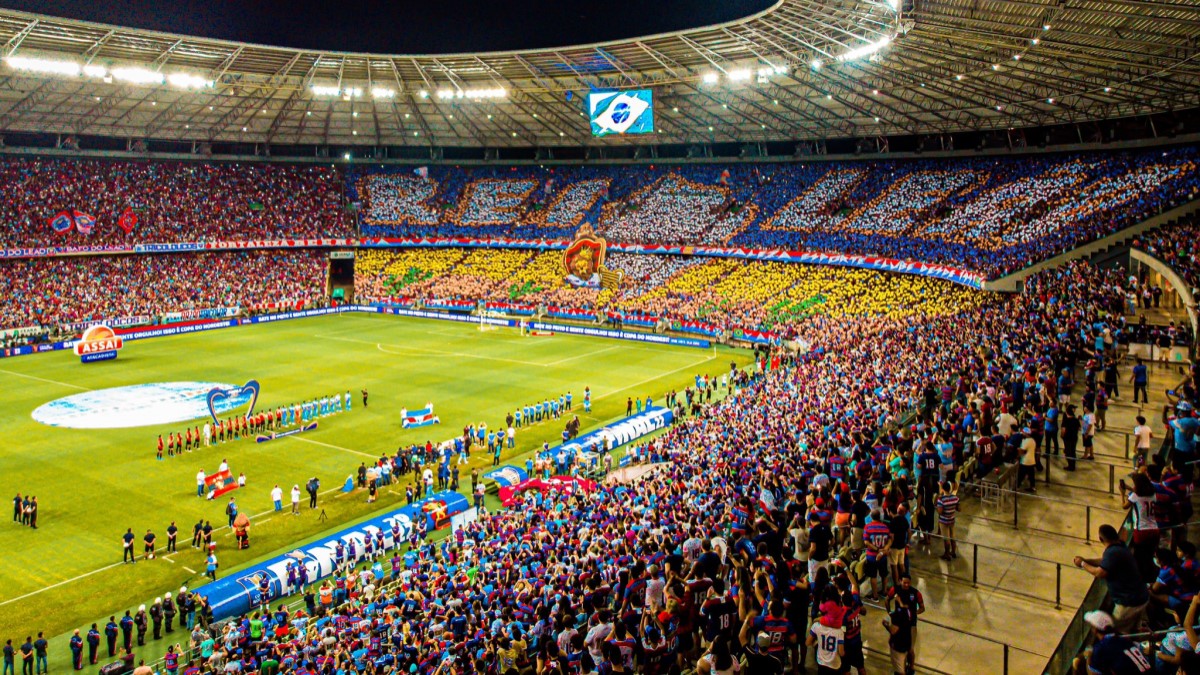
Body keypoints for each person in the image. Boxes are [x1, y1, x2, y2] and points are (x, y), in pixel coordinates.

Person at [1074, 524, 1150, 634]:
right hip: (1140, 597)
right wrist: (1086, 560)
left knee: (1118, 633)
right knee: (1134, 631)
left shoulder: (1112, 552)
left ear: (1101, 539)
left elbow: (1100, 572)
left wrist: (1082, 564)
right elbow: (1105, 562)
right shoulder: (1119, 547)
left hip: (1129, 603)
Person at [1080, 610, 1153, 674]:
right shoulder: (1124, 640)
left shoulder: (1101, 648)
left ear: (1095, 629)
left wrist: (1088, 656)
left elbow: (1092, 674)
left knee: (1077, 663)